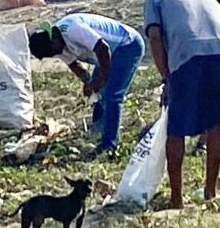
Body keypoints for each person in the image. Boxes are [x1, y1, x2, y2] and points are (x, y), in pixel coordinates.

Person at [143, 0, 220, 209]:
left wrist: (166, 77)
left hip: (188, 57)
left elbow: (155, 37)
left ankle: (177, 199)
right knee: (217, 125)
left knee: (176, 129)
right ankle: (210, 192)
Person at [28, 13, 145, 157]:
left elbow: (103, 48)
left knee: (111, 96)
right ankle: (98, 132)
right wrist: (88, 83)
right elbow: (75, 66)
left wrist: (99, 80)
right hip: (105, 55)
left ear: (53, 41)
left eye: (52, 52)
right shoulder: (56, 45)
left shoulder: (73, 29)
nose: (56, 55)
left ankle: (110, 145)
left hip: (127, 45)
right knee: (99, 95)